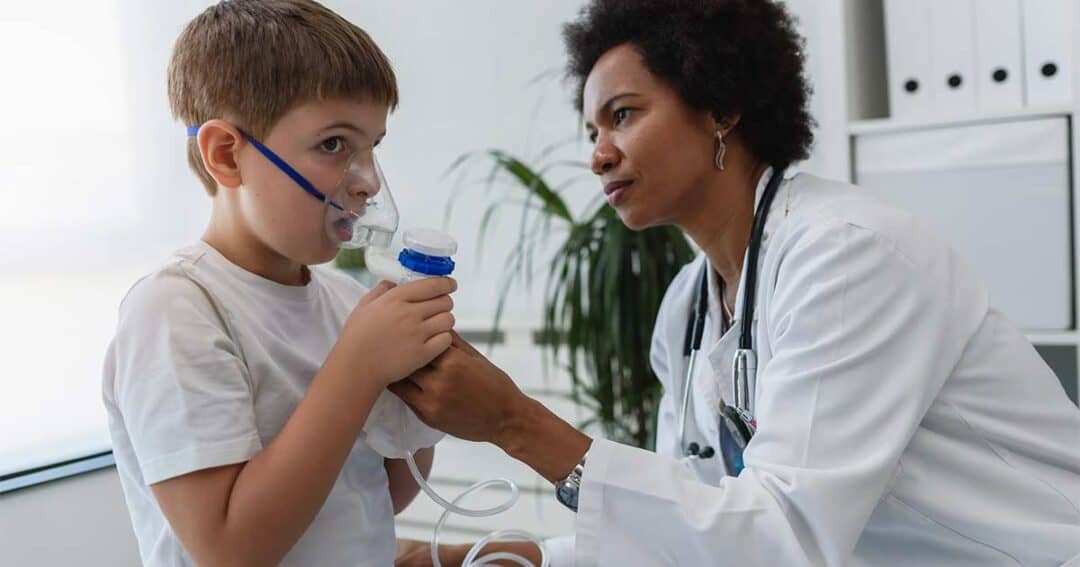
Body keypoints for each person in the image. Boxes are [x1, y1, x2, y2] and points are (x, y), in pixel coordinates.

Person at [391, 0, 1080, 565]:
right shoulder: (687, 310)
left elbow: (783, 541)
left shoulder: (844, 255)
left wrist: (513, 421)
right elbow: (692, 532)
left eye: (623, 115)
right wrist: (464, 557)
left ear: (720, 107)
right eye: (592, 128)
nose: (598, 154)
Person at [101, 2, 457, 565]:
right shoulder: (176, 310)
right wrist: (360, 367)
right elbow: (229, 548)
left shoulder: (344, 302)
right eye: (335, 145)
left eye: (372, 147)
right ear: (225, 155)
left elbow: (376, 500)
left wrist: (413, 402)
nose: (366, 182)